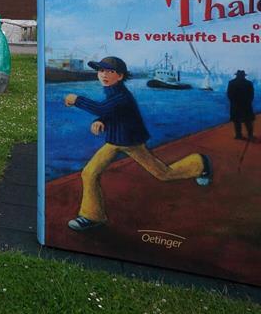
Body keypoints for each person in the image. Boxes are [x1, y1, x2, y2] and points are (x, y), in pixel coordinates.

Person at [63, 56, 212, 232]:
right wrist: (101, 120)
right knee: (89, 173)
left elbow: (105, 108)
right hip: (114, 141)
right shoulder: (112, 92)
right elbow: (110, 111)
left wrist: (76, 99)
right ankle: (92, 216)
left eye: (110, 71)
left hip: (131, 142)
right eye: (101, 71)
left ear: (120, 76)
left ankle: (199, 163)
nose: (103, 75)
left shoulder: (121, 95)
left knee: (163, 174)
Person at [226, 70, 255, 141]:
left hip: (235, 105)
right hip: (246, 105)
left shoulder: (231, 82)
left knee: (237, 121)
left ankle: (238, 135)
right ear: (244, 76)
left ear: (236, 75)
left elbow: (229, 94)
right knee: (248, 121)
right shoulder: (249, 83)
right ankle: (250, 135)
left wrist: (233, 102)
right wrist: (248, 102)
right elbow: (251, 95)